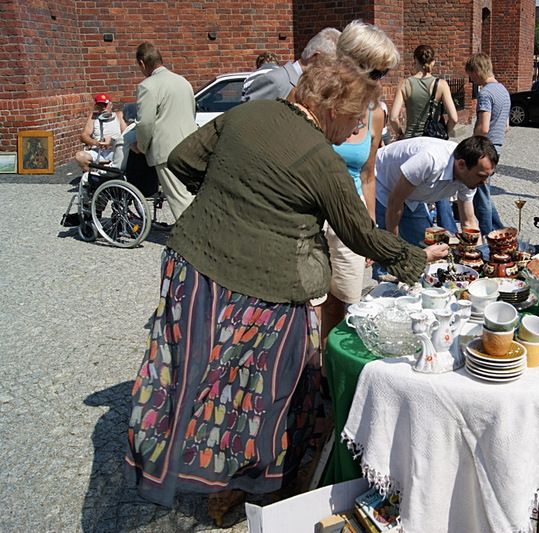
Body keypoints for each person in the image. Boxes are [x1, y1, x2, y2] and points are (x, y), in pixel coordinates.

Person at [125, 57, 448, 524]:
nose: (360, 126)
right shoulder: (320, 160)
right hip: (262, 291)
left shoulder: (245, 114)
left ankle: (192, 469)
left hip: (190, 267)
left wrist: (229, 196)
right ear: (330, 106)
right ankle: (249, 485)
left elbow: (181, 161)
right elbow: (362, 236)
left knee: (196, 371)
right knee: (272, 388)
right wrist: (418, 257)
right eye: (356, 116)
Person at [319, 20, 399, 346]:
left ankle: (330, 369)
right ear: (353, 65)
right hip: (311, 214)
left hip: (348, 218)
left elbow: (368, 173)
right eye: (377, 73)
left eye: (384, 74)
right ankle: (312, 371)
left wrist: (371, 227)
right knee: (312, 301)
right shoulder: (317, 100)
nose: (380, 82)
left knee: (347, 297)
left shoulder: (375, 113)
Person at [372, 135, 497, 281]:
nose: (485, 182)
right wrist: (393, 247)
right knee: (386, 248)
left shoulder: (471, 176)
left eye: (488, 176)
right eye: (482, 176)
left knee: (421, 247)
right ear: (461, 165)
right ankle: (384, 286)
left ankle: (412, 283)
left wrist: (477, 257)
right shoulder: (430, 160)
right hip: (382, 186)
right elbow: (395, 201)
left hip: (413, 195)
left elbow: (469, 222)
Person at [389, 45, 460, 234]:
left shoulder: (405, 84)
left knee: (409, 190)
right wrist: (447, 132)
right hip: (433, 141)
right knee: (440, 188)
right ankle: (448, 231)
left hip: (411, 142)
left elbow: (393, 117)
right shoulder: (441, 85)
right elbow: (454, 117)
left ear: (415, 61)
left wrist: (401, 133)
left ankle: (412, 229)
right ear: (433, 62)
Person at [131, 42, 197, 220]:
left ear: (142, 63)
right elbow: (192, 111)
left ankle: (191, 240)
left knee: (178, 198)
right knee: (190, 194)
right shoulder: (183, 82)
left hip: (166, 150)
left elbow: (145, 123)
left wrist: (141, 146)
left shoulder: (148, 86)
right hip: (190, 145)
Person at [465, 52, 510, 237]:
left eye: (471, 74)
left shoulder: (486, 93)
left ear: (477, 71)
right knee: (485, 191)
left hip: (484, 149)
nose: (470, 80)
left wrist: (471, 142)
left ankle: (488, 233)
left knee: (480, 194)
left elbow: (483, 127)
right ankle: (498, 227)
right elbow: (506, 126)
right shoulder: (503, 91)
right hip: (497, 147)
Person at [241, 28, 340, 102]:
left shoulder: (310, 86)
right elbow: (245, 120)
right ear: (316, 57)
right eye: (331, 64)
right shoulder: (275, 81)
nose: (333, 72)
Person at [74, 93, 127, 172]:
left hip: (114, 150)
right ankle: (93, 176)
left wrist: (112, 142)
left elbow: (126, 135)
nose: (103, 107)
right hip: (98, 150)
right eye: (100, 105)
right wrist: (96, 143)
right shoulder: (94, 117)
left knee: (127, 156)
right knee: (79, 156)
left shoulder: (118, 116)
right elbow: (84, 136)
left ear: (110, 104)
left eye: (105, 105)